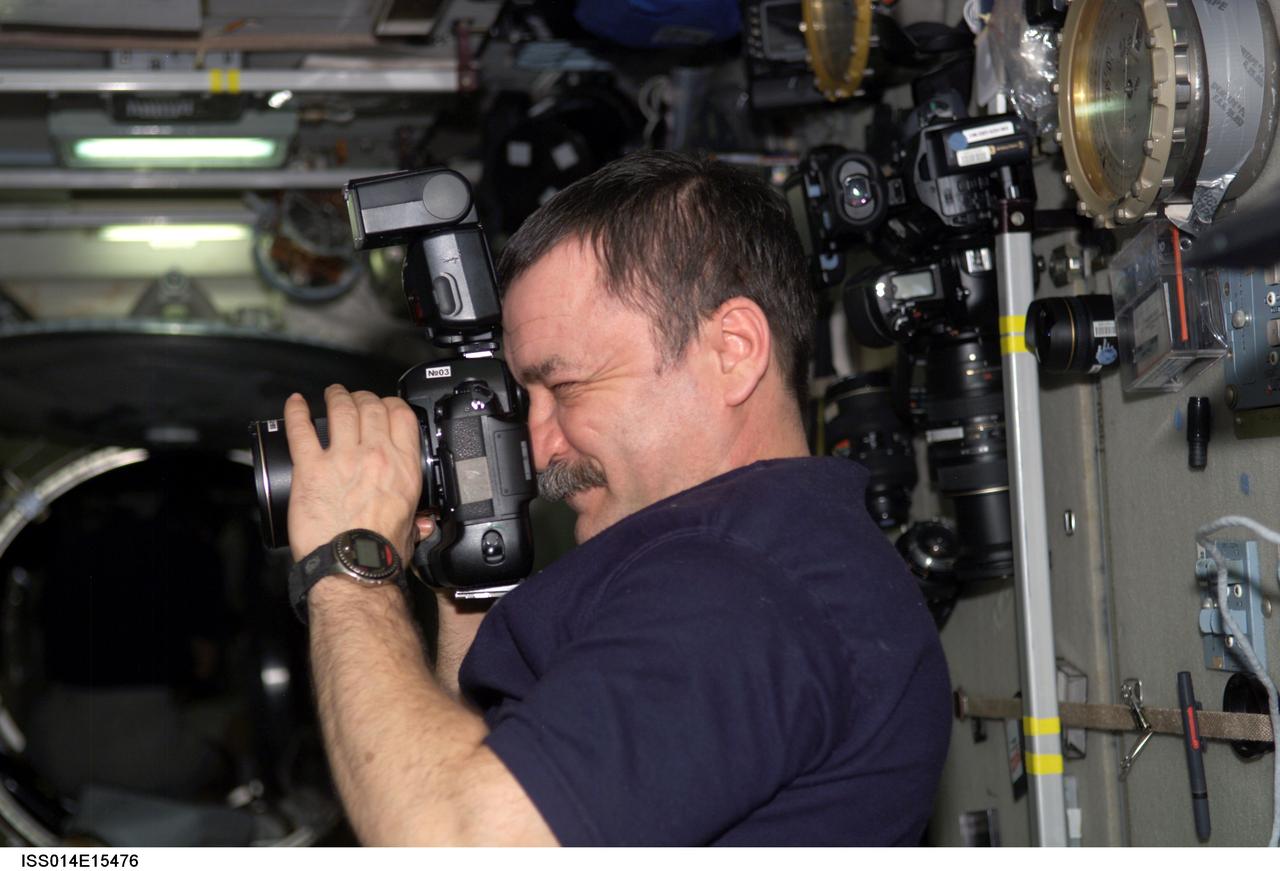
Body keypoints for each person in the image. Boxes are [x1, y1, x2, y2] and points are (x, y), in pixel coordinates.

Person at [282, 150, 951, 846]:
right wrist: (467, 565)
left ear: (732, 350)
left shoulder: (743, 586)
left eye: (566, 388)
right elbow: (487, 758)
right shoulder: (741, 560)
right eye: (525, 399)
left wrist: (350, 562)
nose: (536, 450)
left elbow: (456, 837)